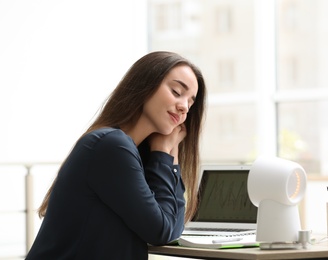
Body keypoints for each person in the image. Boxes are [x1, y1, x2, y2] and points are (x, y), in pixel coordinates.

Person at [25, 51, 207, 260]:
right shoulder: (111, 146)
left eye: (190, 103)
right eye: (176, 92)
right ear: (145, 84)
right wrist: (164, 153)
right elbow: (161, 232)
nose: (184, 107)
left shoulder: (129, 152)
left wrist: (170, 155)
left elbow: (172, 227)